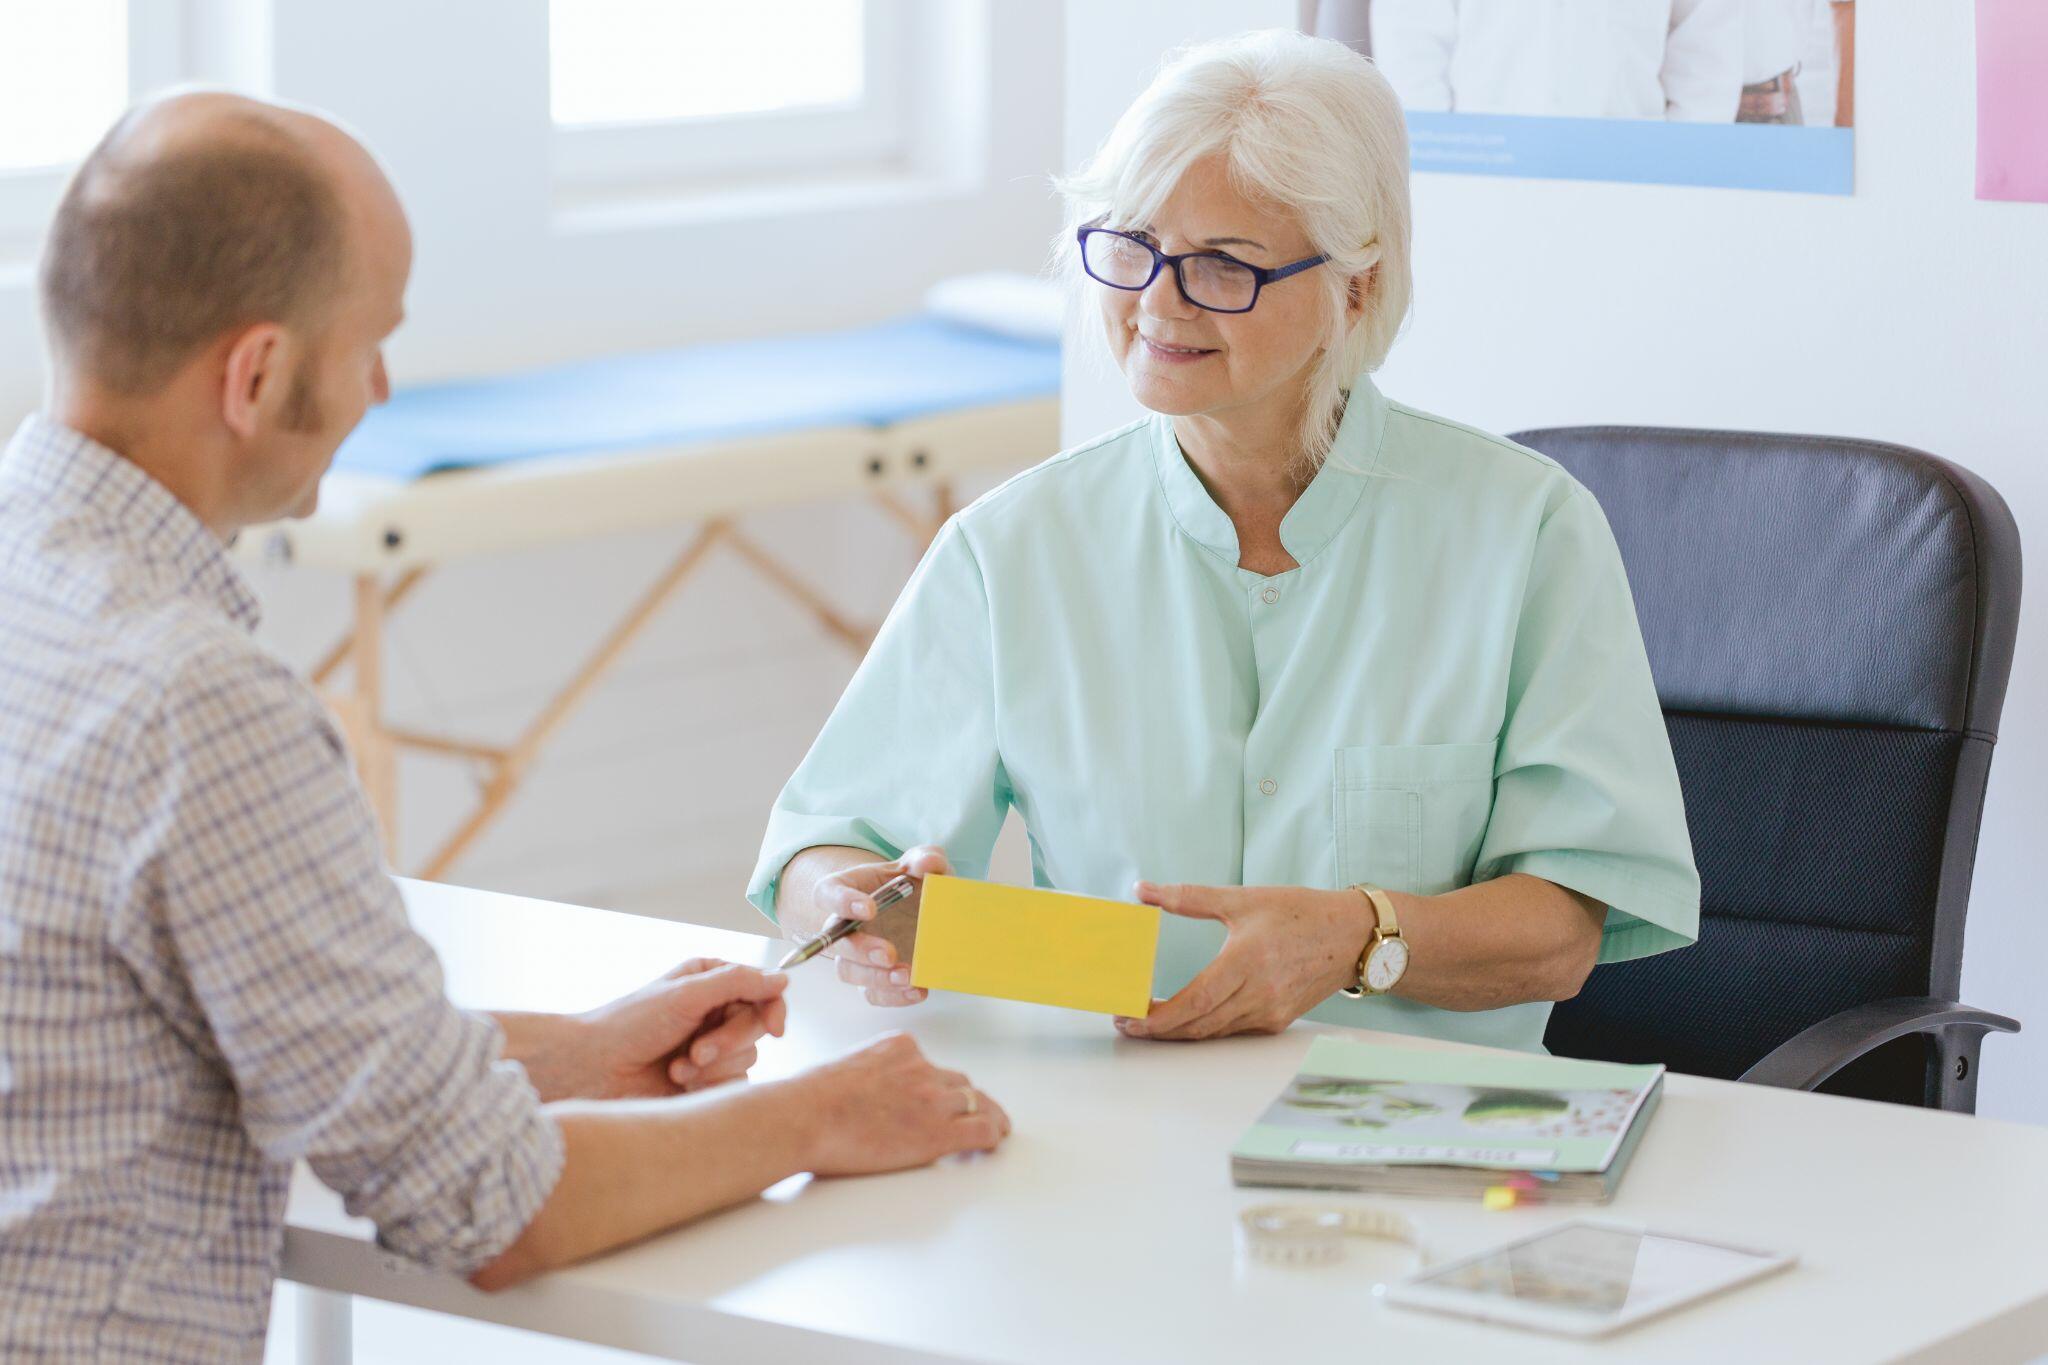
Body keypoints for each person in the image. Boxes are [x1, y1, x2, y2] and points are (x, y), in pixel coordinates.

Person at [0, 92, 1006, 1365]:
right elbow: (487, 1204)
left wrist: (581, 1050)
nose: (379, 386)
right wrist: (824, 1115)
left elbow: (250, 1042)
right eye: (370, 343)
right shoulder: (198, 704)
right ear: (254, 374)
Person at [750, 31, 1700, 1051]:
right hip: (1118, 1118)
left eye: (1219, 266)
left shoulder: (1525, 533)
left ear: (1357, 287)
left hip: (1421, 1138)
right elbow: (828, 844)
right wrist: (846, 905)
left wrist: (1356, 935)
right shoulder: (1011, 550)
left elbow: (1560, 931)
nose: (1155, 302)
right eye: (1130, 247)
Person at [1370, 0, 1744, 122]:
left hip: (1631, 174)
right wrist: (1444, 160)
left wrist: (1673, 168)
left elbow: (1708, 48)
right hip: (1483, 170)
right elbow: (1411, 39)